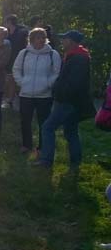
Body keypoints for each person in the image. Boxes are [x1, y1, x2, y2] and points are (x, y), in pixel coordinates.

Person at [35, 31, 94, 169]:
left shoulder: (78, 58)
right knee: (71, 131)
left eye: (64, 39)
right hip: (73, 102)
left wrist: (59, 93)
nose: (62, 41)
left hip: (68, 102)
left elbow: (74, 83)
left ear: (71, 41)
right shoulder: (75, 56)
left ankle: (46, 160)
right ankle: (75, 162)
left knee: (48, 127)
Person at [11, 28, 61, 155]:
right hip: (26, 94)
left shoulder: (53, 54)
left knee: (43, 122)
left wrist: (48, 84)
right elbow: (16, 69)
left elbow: (56, 72)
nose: (41, 40)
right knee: (25, 120)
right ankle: (26, 145)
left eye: (43, 37)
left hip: (44, 95)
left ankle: (43, 147)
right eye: (38, 38)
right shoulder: (24, 53)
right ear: (32, 39)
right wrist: (22, 83)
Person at [4, 14, 29, 109]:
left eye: (6, 22)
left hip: (20, 59)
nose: (5, 24)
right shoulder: (8, 33)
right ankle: (11, 99)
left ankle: (16, 99)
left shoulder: (21, 32)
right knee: (11, 80)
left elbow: (24, 45)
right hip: (10, 59)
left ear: (9, 22)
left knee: (15, 79)